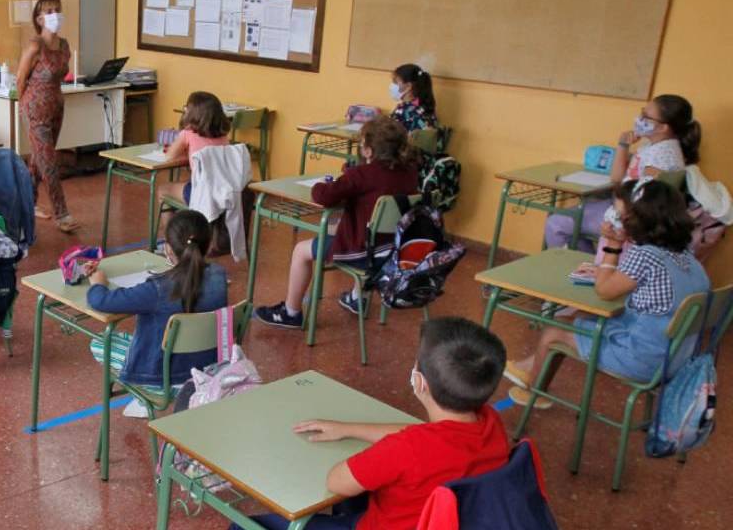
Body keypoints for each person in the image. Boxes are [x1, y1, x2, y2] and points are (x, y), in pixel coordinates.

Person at [233, 318, 508, 530]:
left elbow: (337, 481)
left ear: (420, 382)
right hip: (440, 520)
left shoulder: (405, 450)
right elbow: (420, 436)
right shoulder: (490, 422)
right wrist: (348, 428)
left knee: (242, 526)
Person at [507, 180, 710, 407]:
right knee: (579, 318)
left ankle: (536, 393)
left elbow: (604, 291)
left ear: (638, 221)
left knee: (555, 329)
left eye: (620, 215)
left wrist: (613, 245)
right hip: (677, 358)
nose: (616, 219)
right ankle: (531, 368)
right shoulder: (689, 259)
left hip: (643, 360)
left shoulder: (645, 255)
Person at [254, 118, 419, 329]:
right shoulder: (410, 173)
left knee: (301, 250)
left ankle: (291, 311)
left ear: (368, 151)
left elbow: (324, 196)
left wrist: (337, 180)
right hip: (394, 251)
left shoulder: (362, 175)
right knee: (362, 232)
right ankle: (357, 298)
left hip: (362, 254)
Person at [84, 210, 228, 418]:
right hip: (209, 372)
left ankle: (145, 398)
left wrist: (98, 283)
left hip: (163, 379)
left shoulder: (158, 289)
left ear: (168, 249)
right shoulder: (219, 277)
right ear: (208, 243)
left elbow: (101, 301)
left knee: (100, 341)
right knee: (157, 335)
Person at [544, 94, 700, 253]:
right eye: (642, 112)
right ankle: (587, 270)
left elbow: (644, 202)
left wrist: (617, 214)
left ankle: (577, 271)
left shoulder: (661, 156)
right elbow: (617, 179)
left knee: (556, 223)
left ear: (663, 127)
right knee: (569, 222)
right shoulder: (656, 146)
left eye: (645, 116)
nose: (639, 119)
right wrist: (623, 145)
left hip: (628, 218)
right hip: (622, 207)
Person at [16, 0, 80, 233]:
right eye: (49, 11)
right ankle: (62, 213)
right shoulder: (35, 45)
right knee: (50, 162)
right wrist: (25, 106)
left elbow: (61, 73)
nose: (55, 15)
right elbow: (21, 78)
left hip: (56, 107)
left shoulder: (64, 46)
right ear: (40, 18)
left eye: (58, 9)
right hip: (35, 109)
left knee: (38, 159)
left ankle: (28, 203)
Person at [160, 91, 232, 206]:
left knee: (163, 189)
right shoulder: (224, 136)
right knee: (185, 184)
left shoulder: (187, 133)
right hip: (224, 191)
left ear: (192, 113)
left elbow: (169, 157)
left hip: (201, 193)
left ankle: (170, 224)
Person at [389, 63, 438, 132]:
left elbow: (386, 136)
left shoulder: (402, 110)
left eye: (395, 82)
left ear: (409, 86)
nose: (392, 85)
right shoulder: (426, 108)